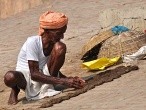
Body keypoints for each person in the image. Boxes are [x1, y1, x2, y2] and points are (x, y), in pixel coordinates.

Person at [4, 11, 85, 105]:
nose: (62, 36)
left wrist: (70, 79)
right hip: (28, 76)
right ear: (47, 31)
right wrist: (64, 81)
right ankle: (15, 89)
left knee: (60, 47)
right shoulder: (32, 42)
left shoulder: (55, 44)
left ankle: (51, 84)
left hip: (45, 74)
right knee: (10, 77)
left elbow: (51, 66)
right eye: (59, 33)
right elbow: (34, 74)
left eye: (63, 33)